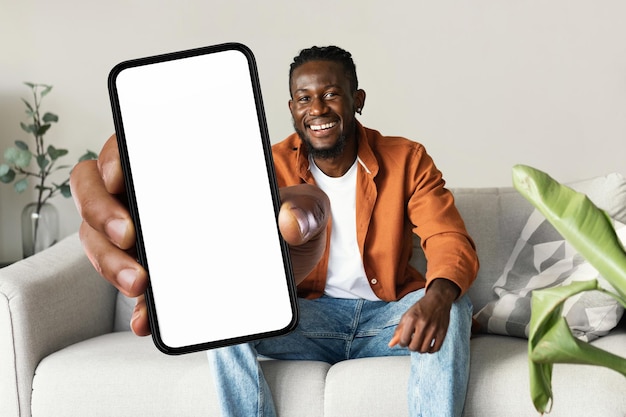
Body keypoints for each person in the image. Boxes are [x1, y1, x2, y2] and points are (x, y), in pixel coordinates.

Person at [70, 45, 479, 417]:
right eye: (304, 98)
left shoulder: (407, 158)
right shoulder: (265, 165)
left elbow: (447, 238)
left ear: (358, 100)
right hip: (305, 320)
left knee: (454, 305)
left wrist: (438, 295)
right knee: (223, 314)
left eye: (331, 94)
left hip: (387, 318)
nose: (317, 108)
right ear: (291, 107)